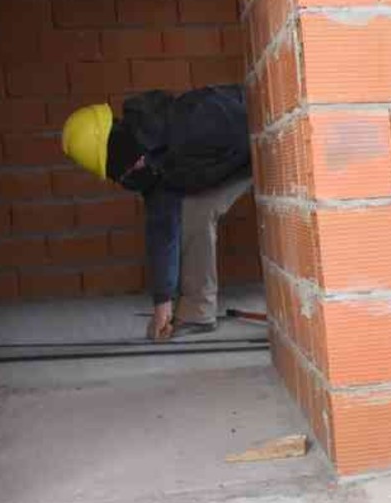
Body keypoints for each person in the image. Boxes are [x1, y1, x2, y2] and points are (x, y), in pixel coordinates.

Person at [61, 85, 252, 340]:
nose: (129, 178)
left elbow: (253, 123)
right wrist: (162, 302)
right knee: (193, 210)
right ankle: (198, 313)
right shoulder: (152, 169)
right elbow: (162, 232)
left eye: (126, 171)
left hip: (268, 141)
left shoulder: (194, 119)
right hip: (234, 163)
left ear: (130, 152)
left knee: (199, 207)